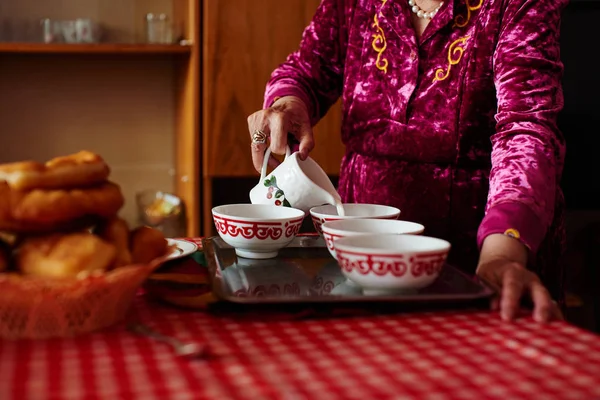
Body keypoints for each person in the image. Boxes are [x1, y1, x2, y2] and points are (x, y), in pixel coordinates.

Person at [247, 0, 567, 322]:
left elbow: (525, 130)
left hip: (478, 258)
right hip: (359, 257)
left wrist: (501, 255)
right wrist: (288, 102)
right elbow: (307, 69)